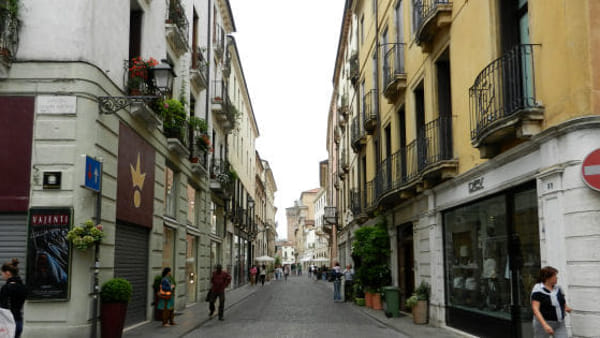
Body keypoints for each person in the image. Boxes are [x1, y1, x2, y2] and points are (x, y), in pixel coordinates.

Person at [531, 266, 572, 338]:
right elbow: (535, 310)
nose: (557, 278)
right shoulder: (538, 290)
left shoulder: (558, 288)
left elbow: (562, 300)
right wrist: (545, 325)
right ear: (547, 278)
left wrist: (566, 307)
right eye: (555, 276)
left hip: (559, 323)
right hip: (543, 324)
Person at [0, 258, 26, 338]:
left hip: (8, 322)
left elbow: (3, 307)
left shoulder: (6, 288)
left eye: (2, 274)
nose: (2, 276)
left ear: (7, 273)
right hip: (19, 321)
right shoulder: (22, 287)